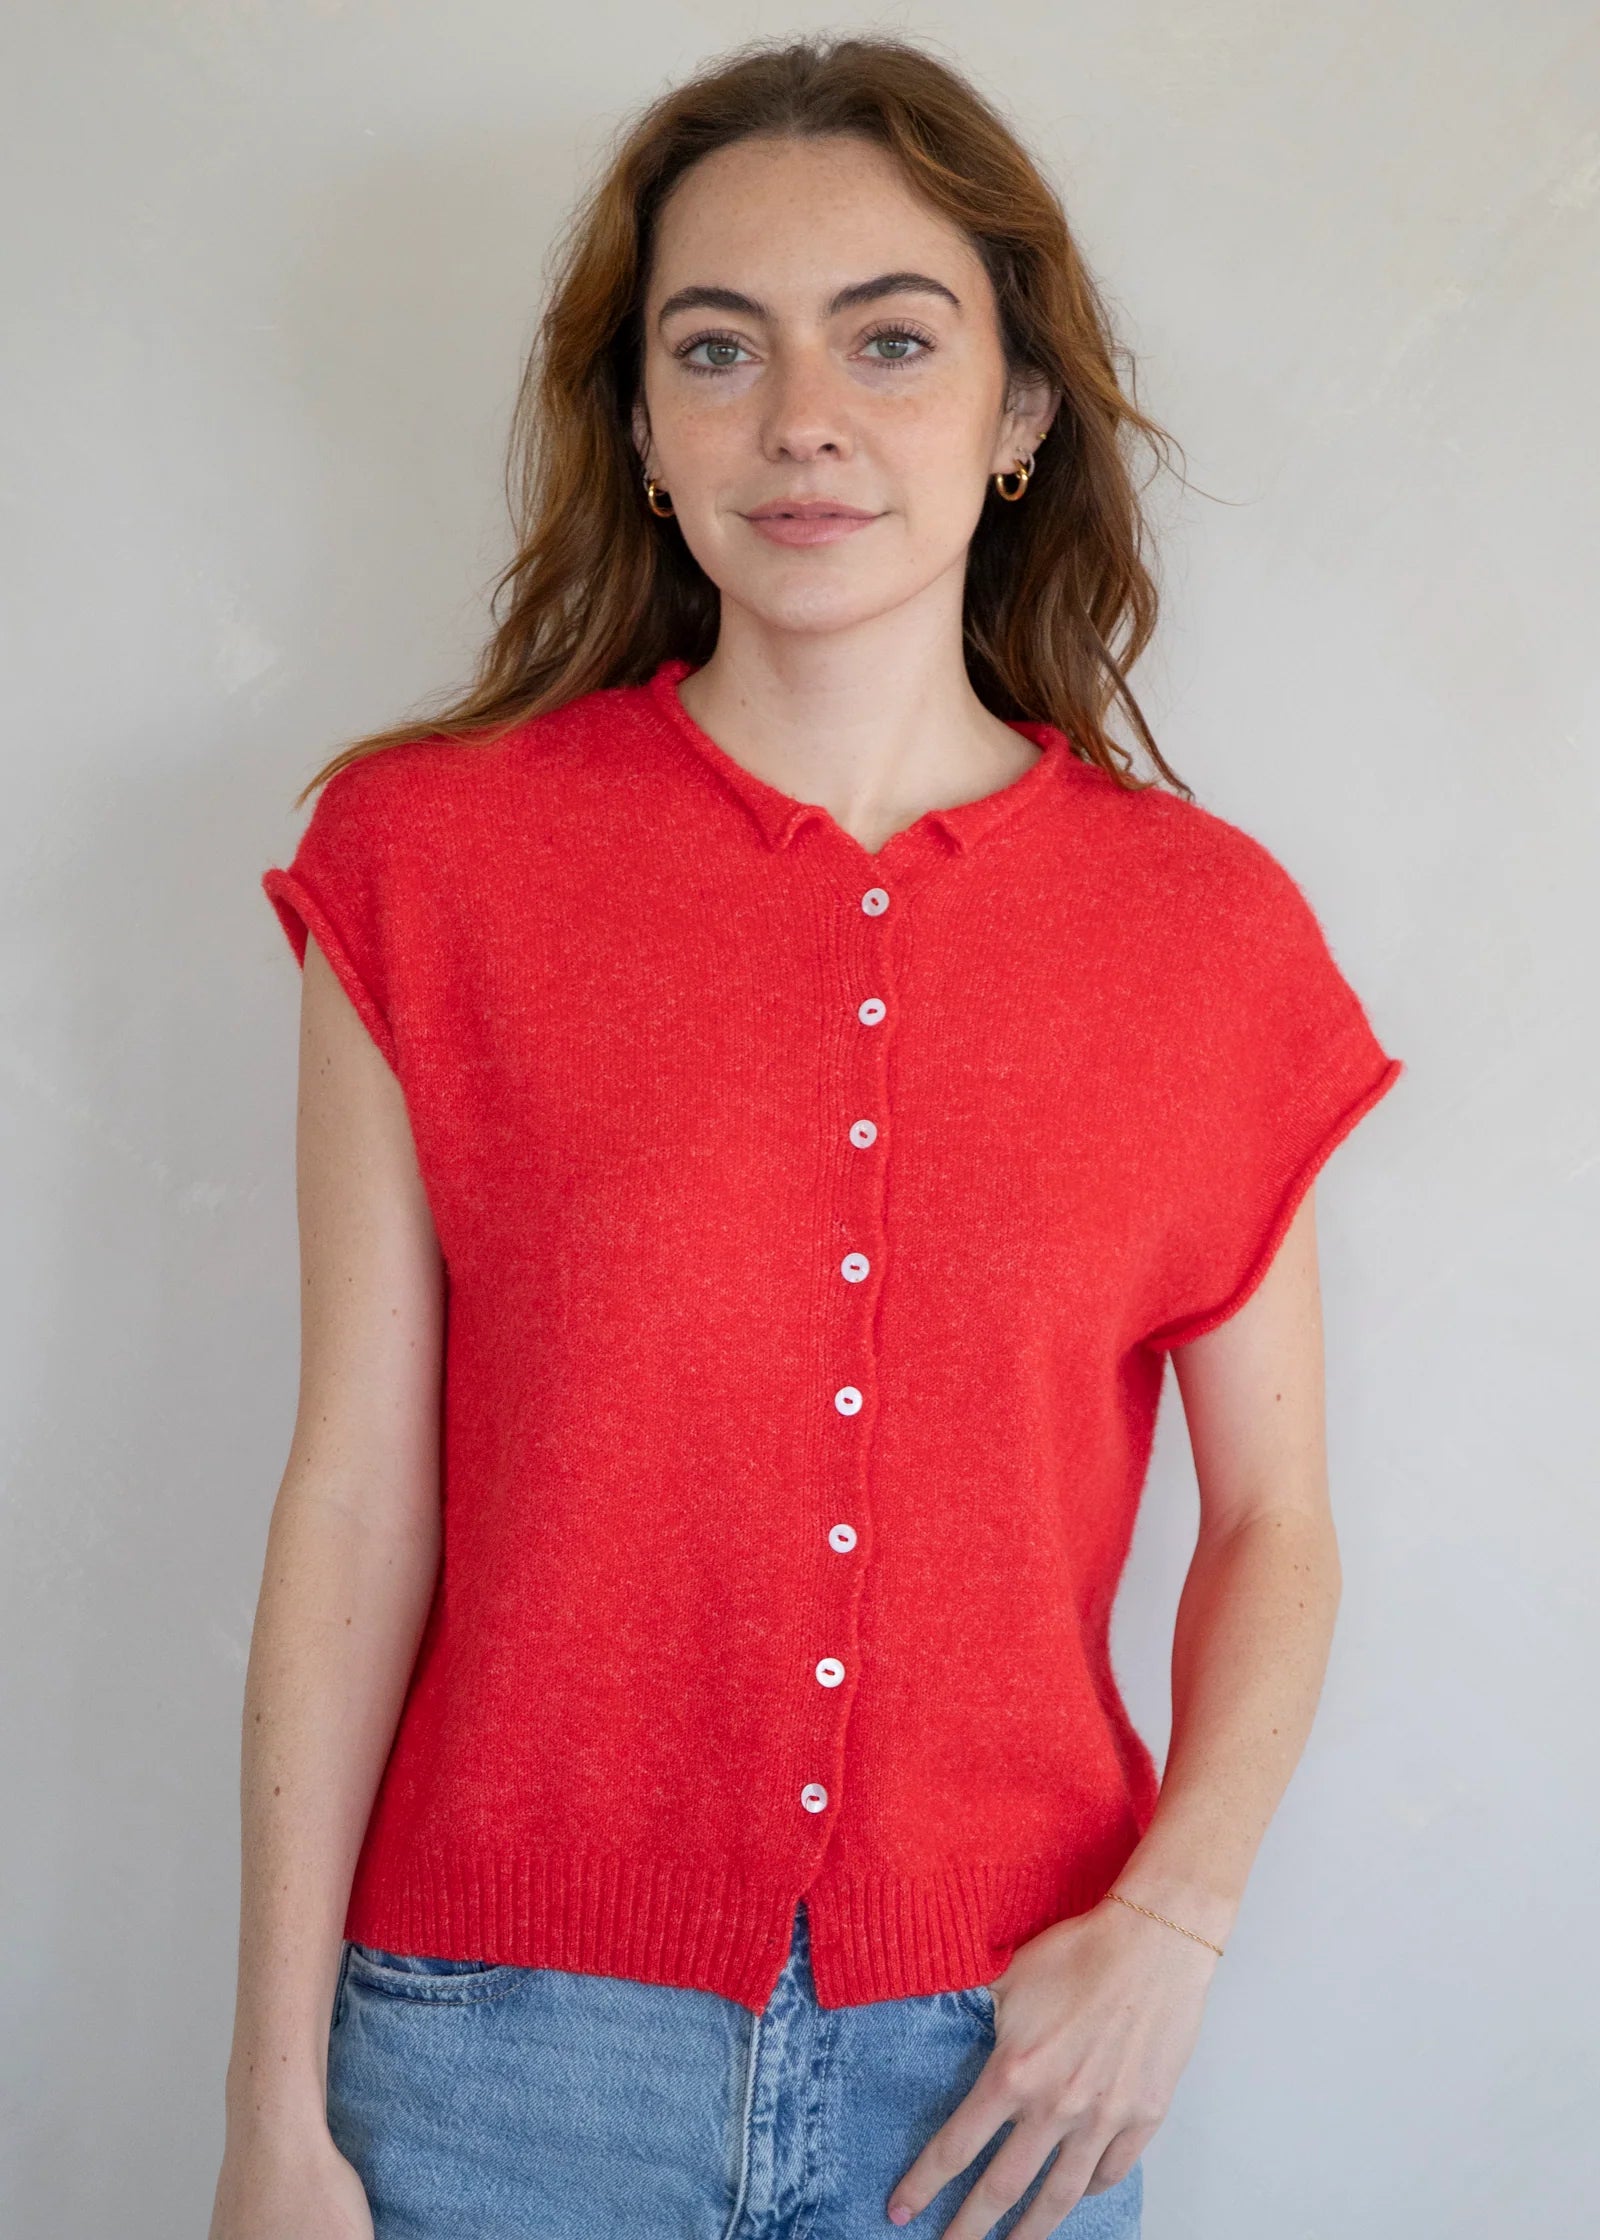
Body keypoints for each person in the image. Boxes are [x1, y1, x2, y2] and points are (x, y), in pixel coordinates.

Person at [209, 32, 1402, 2240]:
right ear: (644, 431)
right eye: (716, 349)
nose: (803, 420)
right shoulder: (428, 866)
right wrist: (273, 2109)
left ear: (1018, 412)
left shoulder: (1206, 936)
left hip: (995, 2080)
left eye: (889, 337)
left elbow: (1277, 1523)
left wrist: (1175, 1926)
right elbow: (355, 1495)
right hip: (490, 2066)